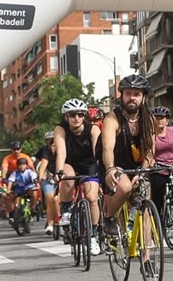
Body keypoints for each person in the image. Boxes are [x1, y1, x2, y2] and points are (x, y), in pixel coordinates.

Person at [100, 74, 156, 238]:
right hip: (116, 164)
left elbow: (150, 150)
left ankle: (146, 259)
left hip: (138, 167)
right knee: (124, 187)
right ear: (122, 95)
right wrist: (110, 169)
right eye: (128, 93)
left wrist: (142, 172)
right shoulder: (112, 118)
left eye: (137, 94)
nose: (132, 98)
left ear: (143, 97)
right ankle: (109, 217)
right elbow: (107, 148)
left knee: (144, 206)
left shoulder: (149, 119)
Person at [53, 98, 102, 254]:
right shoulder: (60, 129)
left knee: (92, 199)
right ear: (66, 117)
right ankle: (66, 210)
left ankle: (93, 235)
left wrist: (102, 170)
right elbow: (61, 151)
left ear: (84, 116)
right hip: (69, 163)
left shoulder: (93, 129)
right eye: (72, 115)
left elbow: (98, 152)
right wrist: (59, 171)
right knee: (68, 179)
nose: (76, 118)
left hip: (89, 164)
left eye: (80, 115)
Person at [149, 106, 173, 216]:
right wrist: (151, 160)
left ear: (167, 120)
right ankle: (158, 223)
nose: (159, 120)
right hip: (159, 168)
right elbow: (149, 149)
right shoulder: (151, 134)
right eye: (157, 117)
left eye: (162, 118)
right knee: (157, 198)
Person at [35, 131, 60, 236]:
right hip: (48, 177)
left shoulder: (63, 149)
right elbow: (43, 163)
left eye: (55, 143)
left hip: (62, 177)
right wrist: (40, 175)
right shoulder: (45, 150)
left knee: (57, 199)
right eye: (50, 143)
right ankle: (50, 224)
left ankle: (60, 217)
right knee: (49, 199)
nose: (53, 146)